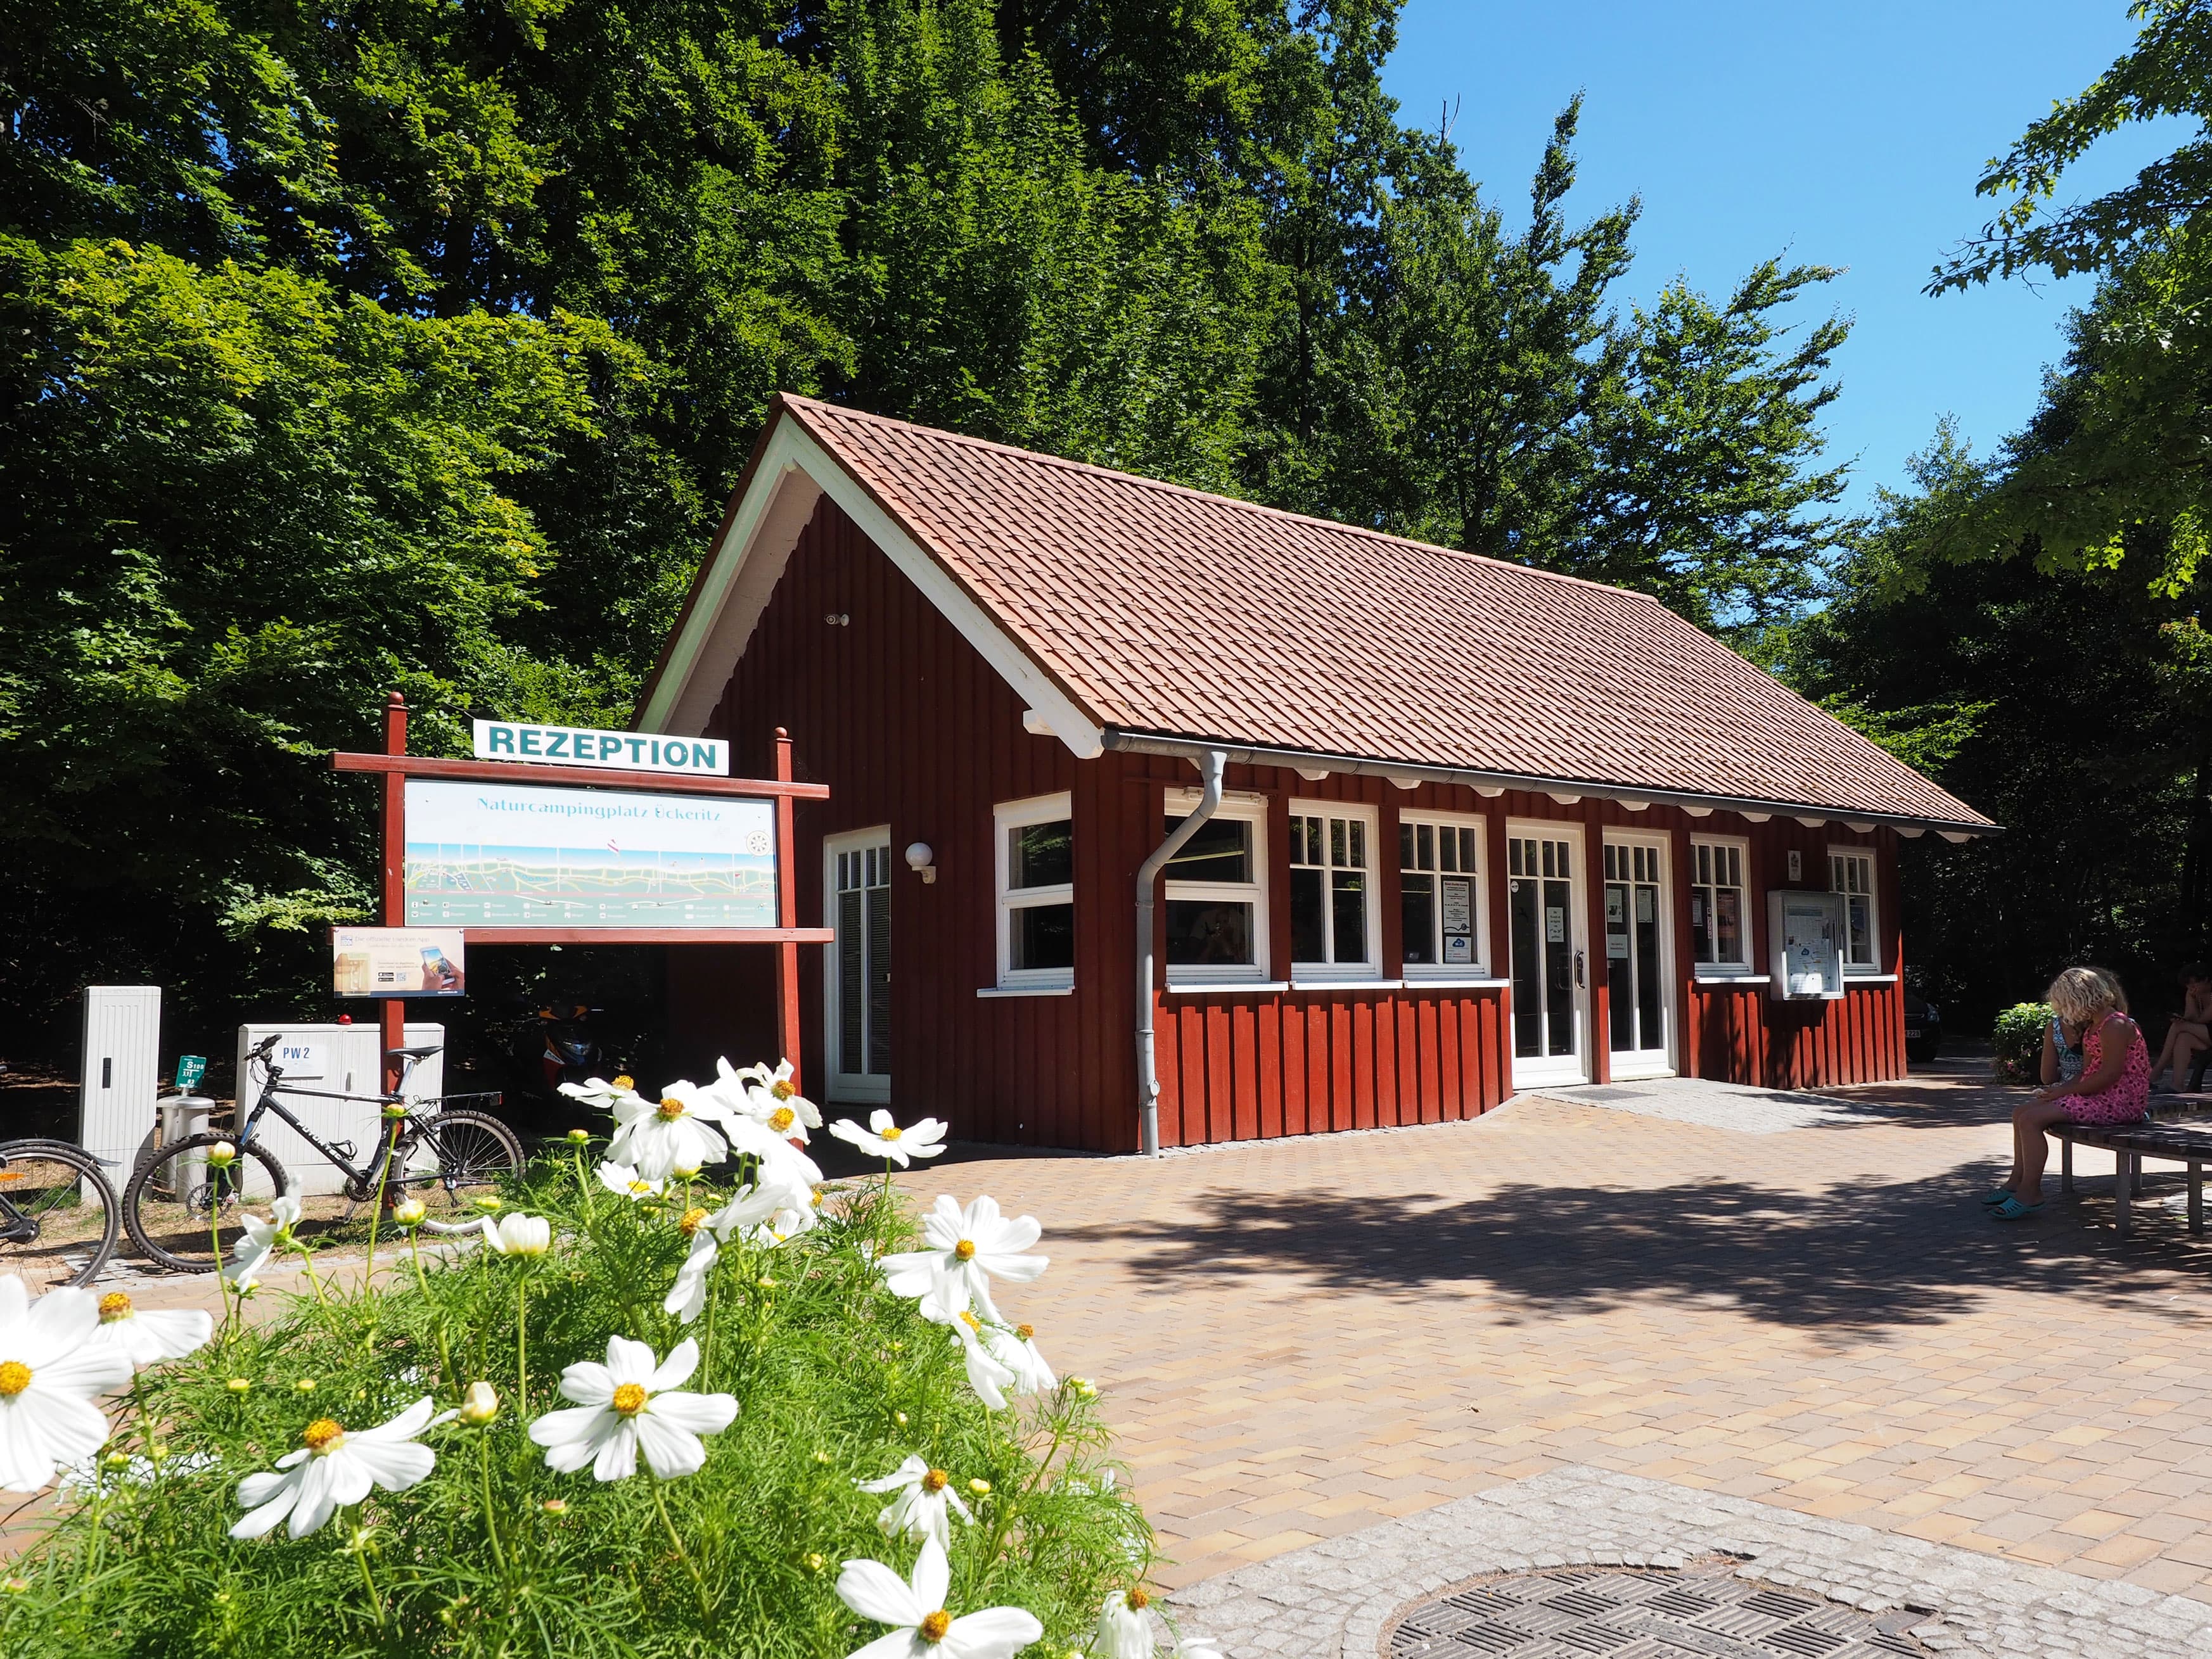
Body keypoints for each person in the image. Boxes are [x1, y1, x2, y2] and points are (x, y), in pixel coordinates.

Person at [1985, 966, 2149, 1220]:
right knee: (2021, 1113)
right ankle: (2017, 1181)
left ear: (2079, 999)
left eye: (2064, 1004)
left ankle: (2031, 1192)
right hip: (2101, 1096)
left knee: (2031, 1120)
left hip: (2120, 1102)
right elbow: (2086, 1073)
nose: (2062, 1012)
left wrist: (2066, 1090)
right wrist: (2058, 1091)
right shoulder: (2094, 1027)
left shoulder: (2115, 1025)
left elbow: (2109, 1075)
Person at [2147, 964, 2212, 1093]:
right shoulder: (2194, 994)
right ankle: (2177, 1084)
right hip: (2205, 1035)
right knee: (2183, 1038)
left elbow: (2203, 1019)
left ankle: (2158, 1069)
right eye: (2188, 985)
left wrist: (2184, 1023)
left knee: (2178, 1027)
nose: (2191, 988)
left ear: (2206, 980)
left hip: (2208, 1030)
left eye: (2194, 983)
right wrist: (2190, 1000)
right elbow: (2191, 1016)